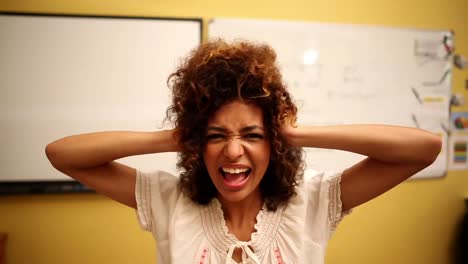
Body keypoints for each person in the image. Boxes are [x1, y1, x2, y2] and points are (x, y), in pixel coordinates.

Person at [45, 39, 442, 264]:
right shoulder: (169, 202)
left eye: (252, 135)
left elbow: (423, 148)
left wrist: (293, 133)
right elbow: (62, 154)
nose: (233, 151)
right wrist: (179, 135)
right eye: (217, 136)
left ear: (274, 142)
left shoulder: (314, 202)